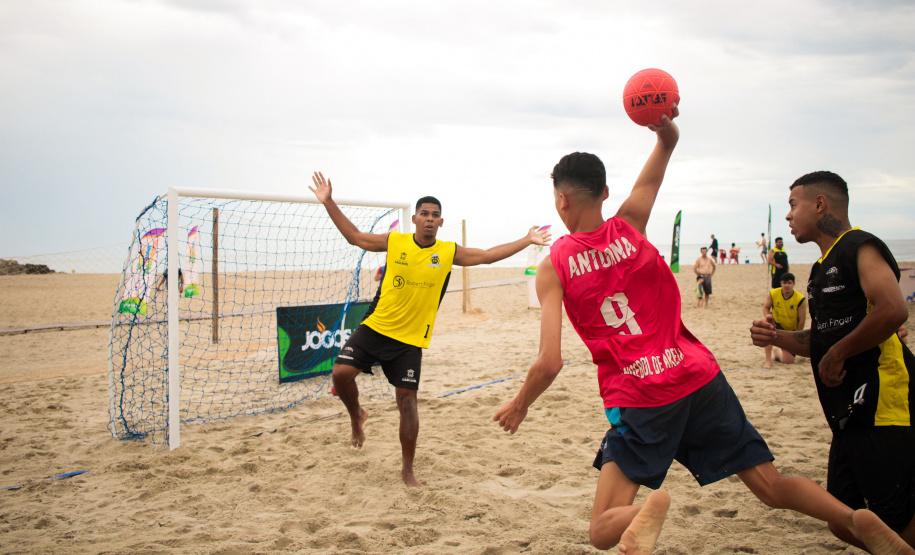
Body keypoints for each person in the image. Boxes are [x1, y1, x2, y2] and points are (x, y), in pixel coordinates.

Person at [492, 113, 907, 554]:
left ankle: (645, 510)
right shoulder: (630, 220)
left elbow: (549, 361)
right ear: (606, 192)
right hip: (698, 375)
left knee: (599, 532)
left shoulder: (555, 264)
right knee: (770, 485)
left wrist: (520, 405)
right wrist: (662, 122)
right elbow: (668, 144)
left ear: (561, 201)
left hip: (640, 393)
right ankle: (853, 519)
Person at [309, 172, 550, 488]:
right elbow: (355, 236)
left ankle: (408, 470)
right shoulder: (396, 242)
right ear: (415, 218)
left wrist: (526, 239)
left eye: (435, 215)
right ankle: (357, 415)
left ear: (440, 222)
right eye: (425, 214)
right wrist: (329, 201)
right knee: (340, 374)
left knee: (407, 402)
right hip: (376, 327)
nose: (429, 219)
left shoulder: (448, 252)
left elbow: (488, 256)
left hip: (409, 340)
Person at [751, 170, 915, 552]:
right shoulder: (821, 270)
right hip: (846, 413)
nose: (789, 216)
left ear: (820, 204)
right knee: (843, 517)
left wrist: (839, 353)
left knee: (895, 518)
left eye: (793, 205)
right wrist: (776, 337)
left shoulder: (859, 245)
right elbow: (821, 339)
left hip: (883, 402)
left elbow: (892, 309)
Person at [763, 272, 806, 369]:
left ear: (793, 284)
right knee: (768, 330)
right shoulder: (773, 293)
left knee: (788, 361)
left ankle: (777, 354)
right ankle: (768, 361)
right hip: (777, 324)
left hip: (791, 330)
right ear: (781, 283)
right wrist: (768, 316)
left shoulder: (800, 299)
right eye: (784, 283)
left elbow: (802, 320)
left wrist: (797, 336)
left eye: (789, 283)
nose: (786, 285)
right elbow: (766, 307)